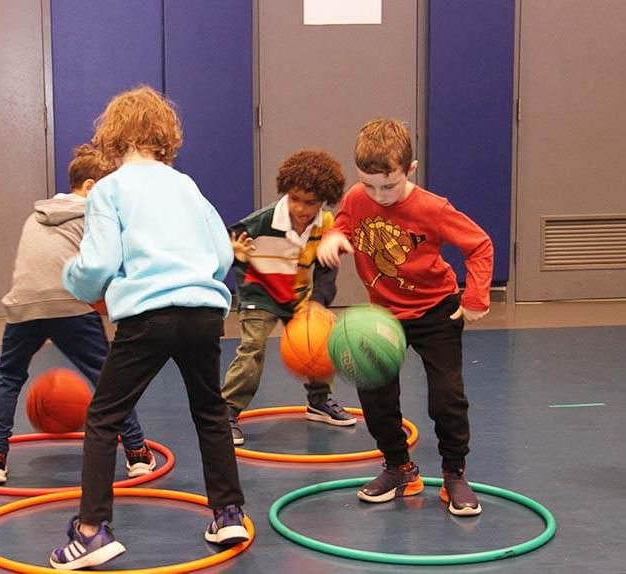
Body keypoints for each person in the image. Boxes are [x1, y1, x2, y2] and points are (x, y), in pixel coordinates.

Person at [50, 85, 248, 570]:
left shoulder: (110, 189)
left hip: (147, 316)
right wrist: (193, 280)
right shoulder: (186, 185)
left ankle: (92, 531)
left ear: (112, 139)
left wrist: (72, 278)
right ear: (166, 138)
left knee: (104, 417)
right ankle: (227, 511)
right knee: (209, 410)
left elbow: (97, 264)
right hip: (204, 312)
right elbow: (223, 254)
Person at [317, 118, 494, 516]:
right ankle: (399, 468)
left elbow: (479, 245)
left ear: (410, 169)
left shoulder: (432, 208)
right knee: (375, 397)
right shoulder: (356, 197)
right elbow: (344, 222)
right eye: (369, 184)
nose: (378, 195)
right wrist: (333, 237)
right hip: (382, 315)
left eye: (389, 185)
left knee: (447, 397)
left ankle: (454, 474)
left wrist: (477, 295)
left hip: (437, 311)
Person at [0, 144, 155, 487]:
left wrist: (38, 321)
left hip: (25, 304)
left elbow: (32, 267)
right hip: (72, 302)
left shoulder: (36, 215)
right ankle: (136, 452)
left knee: (7, 377)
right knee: (109, 377)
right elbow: (102, 267)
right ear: (90, 187)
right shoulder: (94, 214)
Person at [223, 149, 356, 446]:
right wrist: (235, 254)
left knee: (321, 339)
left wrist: (318, 303)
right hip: (260, 293)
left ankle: (318, 401)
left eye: (310, 203)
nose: (301, 209)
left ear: (323, 200)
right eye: (295, 199)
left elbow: (326, 269)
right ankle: (228, 411)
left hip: (297, 295)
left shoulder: (326, 224)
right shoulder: (264, 220)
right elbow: (227, 243)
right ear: (286, 193)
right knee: (253, 348)